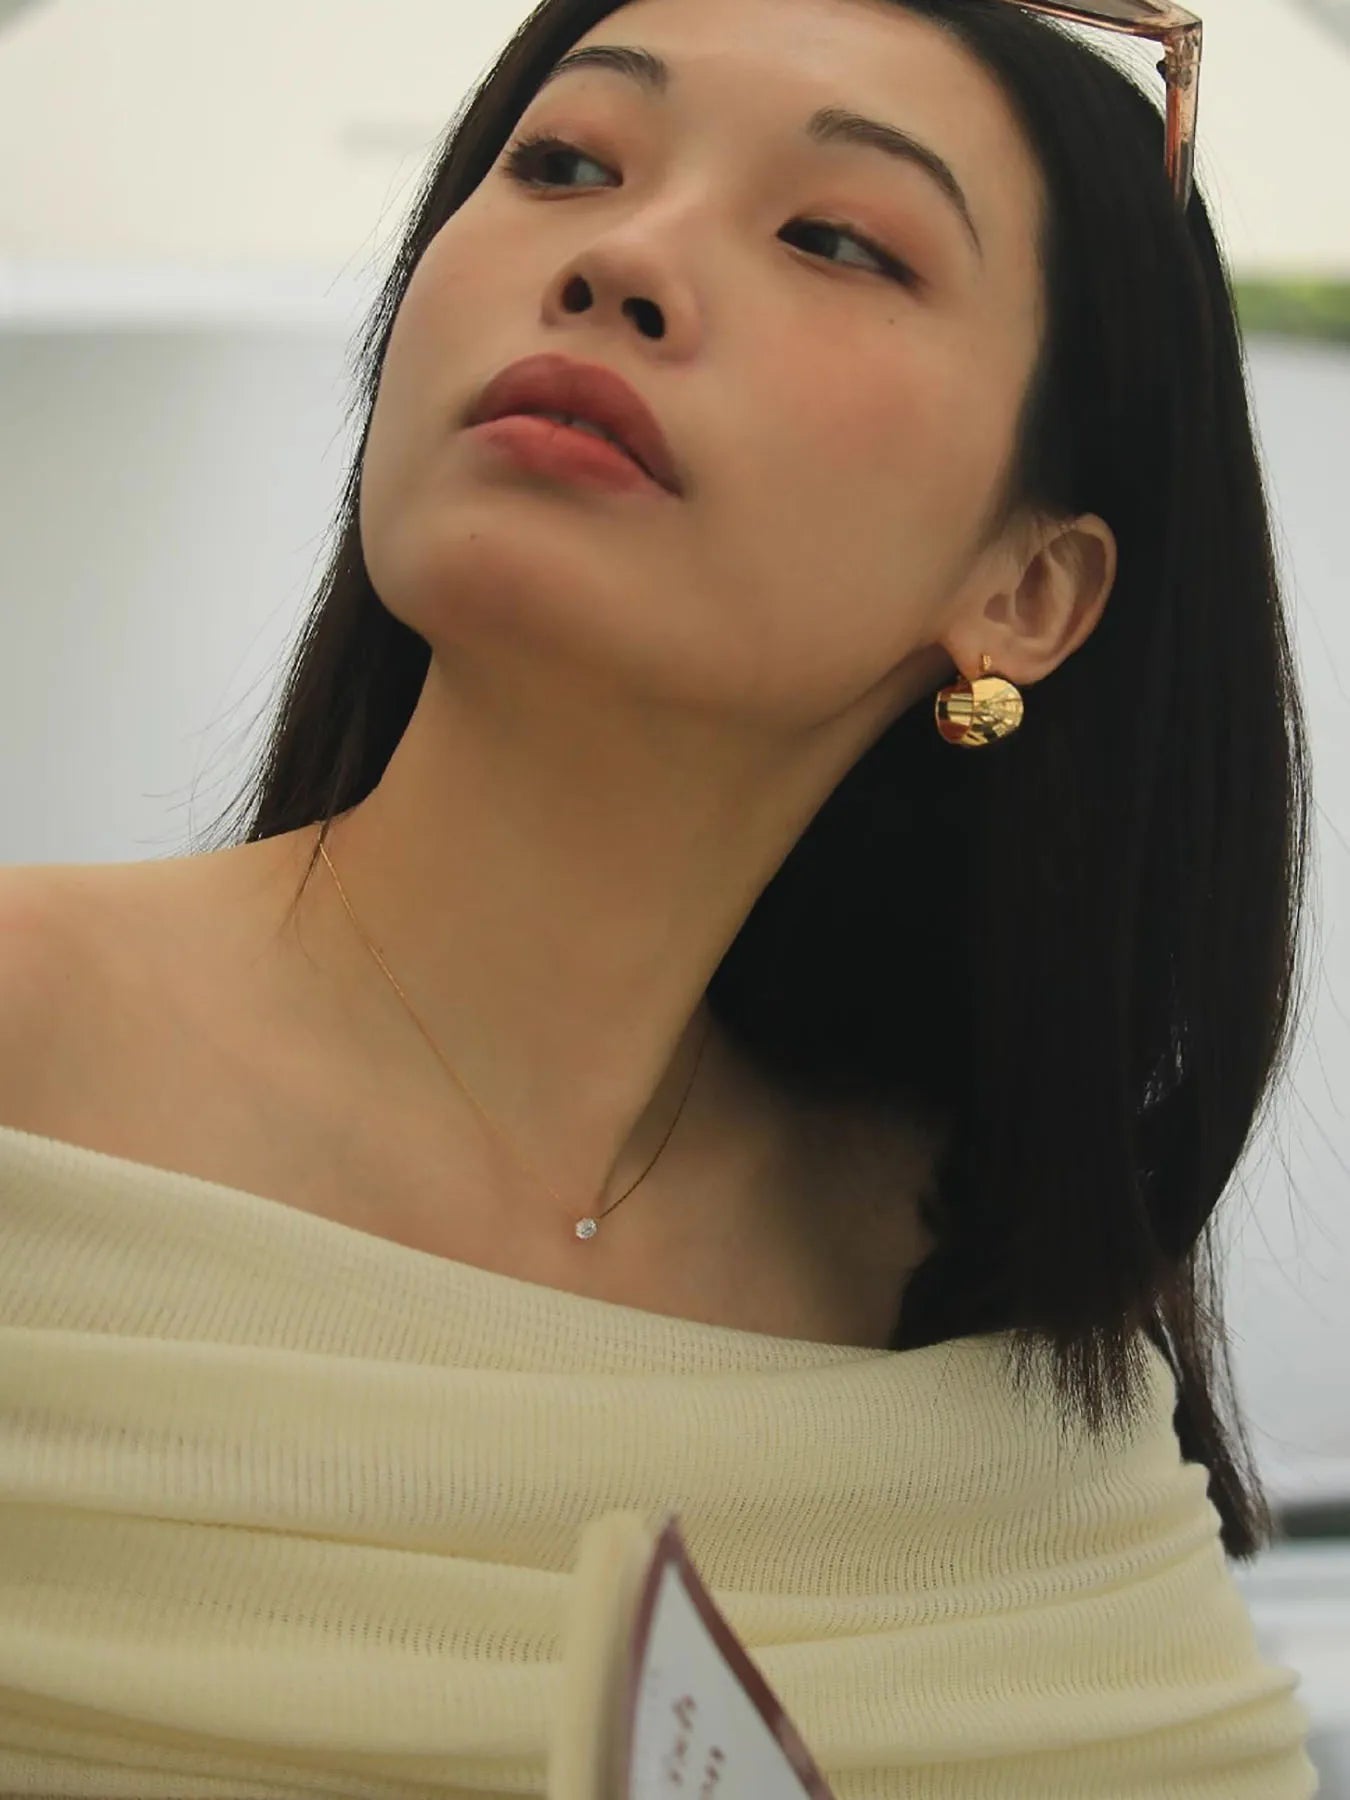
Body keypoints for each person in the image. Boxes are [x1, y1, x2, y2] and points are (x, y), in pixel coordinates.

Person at [0, 0, 1320, 1792]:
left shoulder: (991, 1332)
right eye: (560, 163)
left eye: (833, 239)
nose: (622, 259)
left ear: (1026, 593)